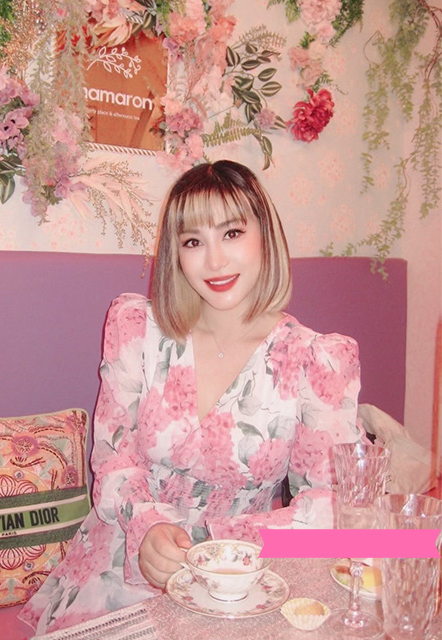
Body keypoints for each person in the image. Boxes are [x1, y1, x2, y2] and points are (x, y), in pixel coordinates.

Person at [20, 160, 362, 634]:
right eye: (193, 242)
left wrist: (215, 540)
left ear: (266, 236)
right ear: (175, 253)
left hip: (239, 576)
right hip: (126, 558)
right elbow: (114, 459)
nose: (215, 262)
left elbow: (329, 510)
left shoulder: (317, 361)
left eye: (232, 233)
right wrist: (148, 528)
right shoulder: (136, 329)